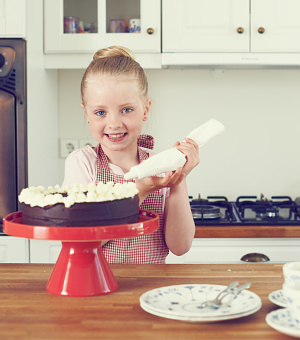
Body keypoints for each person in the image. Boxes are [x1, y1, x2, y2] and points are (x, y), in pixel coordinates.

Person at [62, 46, 199, 264]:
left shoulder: (160, 165)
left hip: (152, 292)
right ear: (86, 114)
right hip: (97, 290)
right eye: (100, 112)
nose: (114, 123)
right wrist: (139, 192)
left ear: (145, 109)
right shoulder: (82, 163)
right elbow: (82, 243)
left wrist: (179, 178)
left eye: (126, 110)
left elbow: (180, 247)